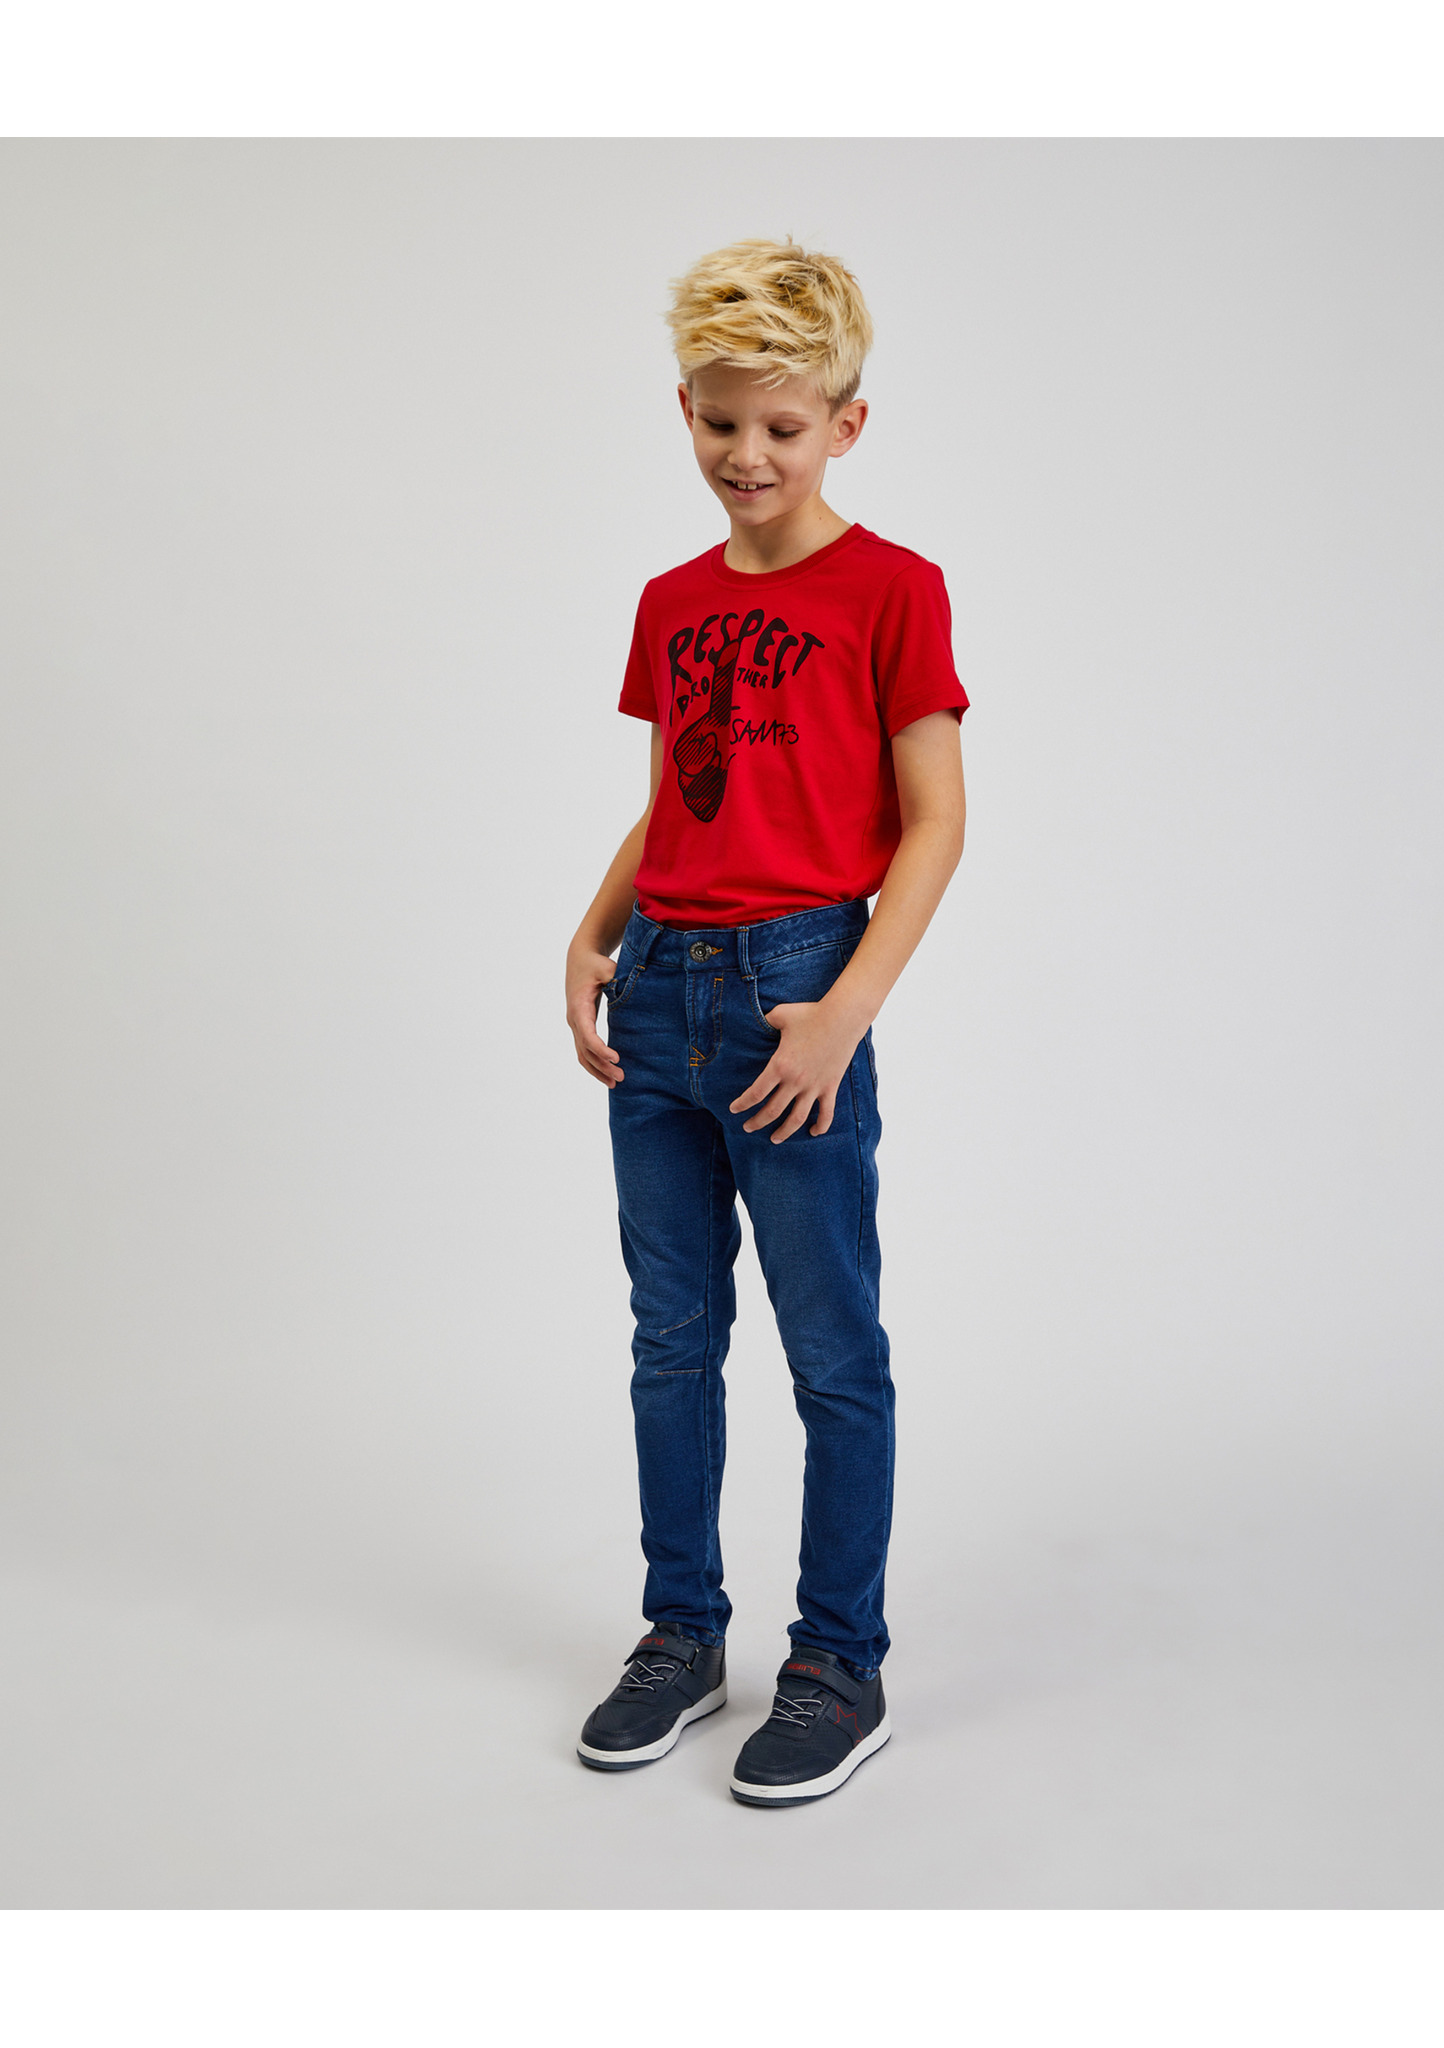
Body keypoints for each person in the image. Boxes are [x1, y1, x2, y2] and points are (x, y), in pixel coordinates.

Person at [563, 237, 968, 1806]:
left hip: (795, 988)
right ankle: (682, 1634)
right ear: (685, 409)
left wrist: (843, 1015)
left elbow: (935, 823)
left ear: (844, 425)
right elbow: (675, 802)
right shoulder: (671, 603)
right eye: (722, 422)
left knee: (829, 1347)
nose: (749, 455)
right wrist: (595, 932)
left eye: (783, 428)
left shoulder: (893, 590)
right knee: (672, 1339)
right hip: (661, 982)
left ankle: (839, 1661)